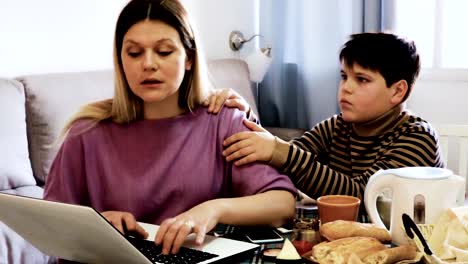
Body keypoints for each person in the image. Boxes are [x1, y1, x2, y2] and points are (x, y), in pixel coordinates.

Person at [43, 0, 296, 256]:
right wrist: (97, 225)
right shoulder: (86, 133)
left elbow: (282, 203)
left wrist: (212, 210)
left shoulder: (223, 120)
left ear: (189, 58)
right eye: (134, 53)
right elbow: (49, 224)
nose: (148, 64)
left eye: (164, 52)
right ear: (120, 60)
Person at [213, 32, 444, 209]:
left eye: (362, 80)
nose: (346, 88)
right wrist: (243, 115)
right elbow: (287, 158)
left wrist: (278, 151)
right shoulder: (337, 126)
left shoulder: (417, 137)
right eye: (344, 76)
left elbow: (364, 197)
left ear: (397, 91)